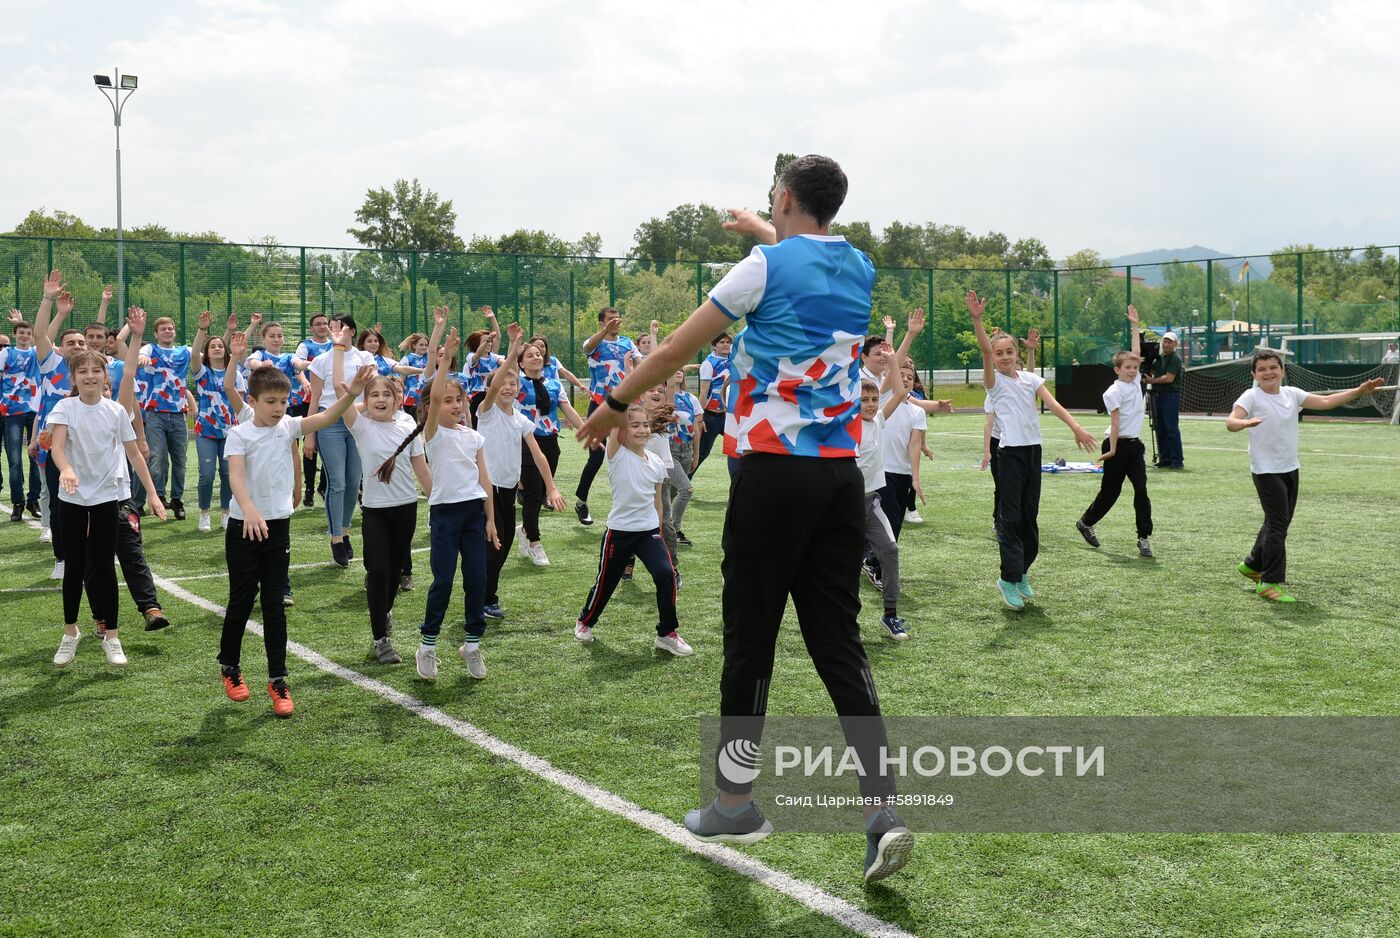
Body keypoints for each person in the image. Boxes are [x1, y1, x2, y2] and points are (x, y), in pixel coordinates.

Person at [577, 155, 914, 883]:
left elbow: (675, 347)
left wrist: (610, 406)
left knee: (750, 639)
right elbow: (805, 255)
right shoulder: (856, 269)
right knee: (838, 643)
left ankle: (734, 801)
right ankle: (881, 809)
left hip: (771, 476)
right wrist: (766, 228)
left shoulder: (761, 266)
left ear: (786, 197)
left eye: (771, 202)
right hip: (837, 478)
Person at [218, 349, 373, 716]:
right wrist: (251, 511)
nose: (278, 407)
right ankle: (230, 667)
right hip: (244, 527)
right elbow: (236, 478)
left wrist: (351, 392)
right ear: (252, 401)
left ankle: (278, 681)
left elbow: (328, 415)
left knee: (274, 605)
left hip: (278, 526)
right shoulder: (238, 434)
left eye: (284, 401)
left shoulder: (288, 426)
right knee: (241, 600)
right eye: (271, 401)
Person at [48, 309, 168, 670]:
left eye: (96, 371)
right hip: (71, 500)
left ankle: (112, 637)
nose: (89, 376)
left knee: (104, 567)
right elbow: (56, 446)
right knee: (74, 568)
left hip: (106, 500)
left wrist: (152, 493)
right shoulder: (64, 406)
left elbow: (134, 452)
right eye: (82, 371)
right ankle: (71, 632)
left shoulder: (116, 411)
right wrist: (66, 469)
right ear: (73, 376)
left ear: (105, 377)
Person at [970, 289, 1097, 610]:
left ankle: (1022, 572)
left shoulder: (1030, 378)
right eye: (1000, 353)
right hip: (1010, 454)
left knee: (1030, 518)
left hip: (1032, 454)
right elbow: (984, 351)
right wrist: (977, 320)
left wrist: (1076, 427)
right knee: (1009, 519)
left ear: (1016, 353)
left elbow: (1052, 403)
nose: (1004, 356)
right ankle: (1007, 578)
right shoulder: (994, 384)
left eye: (1009, 351)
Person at [1226, 349, 1383, 603]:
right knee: (1278, 526)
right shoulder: (1251, 396)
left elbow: (1326, 402)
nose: (1268, 372)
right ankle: (1269, 582)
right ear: (1254, 374)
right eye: (1262, 369)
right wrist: (1243, 423)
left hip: (1290, 468)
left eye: (1273, 367)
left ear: (1282, 371)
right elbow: (1231, 421)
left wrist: (1358, 391)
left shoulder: (1292, 394)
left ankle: (1253, 565)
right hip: (1266, 471)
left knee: (1278, 522)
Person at [395, 329, 499, 681]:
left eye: (460, 400)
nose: (455, 405)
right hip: (445, 515)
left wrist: (491, 521)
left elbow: (484, 482)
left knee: (477, 581)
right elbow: (436, 397)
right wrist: (444, 362)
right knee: (443, 581)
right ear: (430, 407)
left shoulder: (474, 436)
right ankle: (427, 645)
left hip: (473, 513)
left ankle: (471, 645)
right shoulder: (432, 434)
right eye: (449, 400)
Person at [573, 402, 689, 655]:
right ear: (623, 430)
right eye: (634, 425)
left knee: (665, 574)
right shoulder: (616, 454)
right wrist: (630, 382)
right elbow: (616, 422)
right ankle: (585, 621)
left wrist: (657, 530)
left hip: (648, 532)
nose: (642, 430)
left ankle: (667, 633)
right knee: (606, 582)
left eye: (645, 425)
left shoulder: (657, 461)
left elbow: (658, 502)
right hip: (620, 532)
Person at [479, 323, 568, 620]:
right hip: (484, 489)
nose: (508, 387)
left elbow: (539, 454)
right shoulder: (487, 411)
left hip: (506, 489)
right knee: (493, 544)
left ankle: (486, 593)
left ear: (519, 391)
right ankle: (485, 597)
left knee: (501, 547)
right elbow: (493, 385)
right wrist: (512, 351)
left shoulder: (520, 419)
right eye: (504, 382)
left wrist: (551, 487)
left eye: (513, 384)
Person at [344, 366, 432, 665]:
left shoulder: (408, 424)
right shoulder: (361, 426)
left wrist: (439, 500)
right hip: (375, 512)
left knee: (395, 573)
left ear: (398, 400)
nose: (381, 399)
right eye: (374, 395)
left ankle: (385, 612)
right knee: (378, 571)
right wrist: (358, 389)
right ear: (366, 402)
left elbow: (422, 469)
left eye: (387, 395)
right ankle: (381, 638)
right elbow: (342, 406)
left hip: (406, 508)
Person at [1076, 306, 1154, 558]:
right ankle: (1086, 522)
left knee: (1141, 490)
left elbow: (1137, 352)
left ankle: (1143, 537)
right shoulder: (1113, 392)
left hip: (1134, 446)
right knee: (1111, 492)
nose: (1132, 370)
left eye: (1135, 367)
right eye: (1127, 367)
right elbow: (1116, 421)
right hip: (1116, 445)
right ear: (1117, 370)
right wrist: (1112, 450)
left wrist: (1134, 325)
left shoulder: (1136, 379)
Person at [857, 317, 918, 641]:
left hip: (870, 503)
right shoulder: (843, 428)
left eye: (873, 400)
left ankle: (890, 615)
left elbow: (897, 389)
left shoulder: (879, 420)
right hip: (842, 507)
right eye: (864, 400)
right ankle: (844, 619)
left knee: (890, 552)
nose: (869, 405)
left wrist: (894, 360)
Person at [307, 315, 375, 566]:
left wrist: (353, 410)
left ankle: (345, 531)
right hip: (330, 423)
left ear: (352, 331)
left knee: (352, 480)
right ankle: (336, 537)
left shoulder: (364, 358)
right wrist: (310, 434)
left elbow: (370, 394)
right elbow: (314, 399)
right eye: (331, 326)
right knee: (336, 482)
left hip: (357, 421)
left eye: (340, 327)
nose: (334, 331)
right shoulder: (321, 360)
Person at [515, 333, 583, 566]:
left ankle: (524, 529)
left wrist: (587, 432)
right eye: (529, 355)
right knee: (533, 493)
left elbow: (568, 410)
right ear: (521, 362)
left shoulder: (554, 384)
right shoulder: (516, 382)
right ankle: (535, 542)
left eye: (538, 354)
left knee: (542, 491)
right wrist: (515, 344)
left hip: (550, 442)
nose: (536, 357)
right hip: (525, 441)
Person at [573, 307, 636, 524]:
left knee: (628, 454)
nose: (615, 322)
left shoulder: (628, 343)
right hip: (599, 406)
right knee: (597, 456)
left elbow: (641, 365)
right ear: (601, 323)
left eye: (617, 318)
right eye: (609, 320)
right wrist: (604, 332)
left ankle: (628, 506)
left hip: (623, 407)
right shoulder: (595, 342)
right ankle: (581, 502)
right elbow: (588, 347)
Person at [134, 314, 194, 519]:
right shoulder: (151, 349)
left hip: (178, 414)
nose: (167, 331)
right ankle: (158, 496)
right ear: (156, 333)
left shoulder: (184, 351)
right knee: (156, 457)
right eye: (163, 329)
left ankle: (177, 499)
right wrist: (141, 358)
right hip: (155, 414)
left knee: (180, 460)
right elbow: (140, 355)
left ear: (174, 331)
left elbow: (212, 355)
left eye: (170, 328)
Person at [188, 312, 241, 532]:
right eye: (213, 346)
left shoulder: (235, 372)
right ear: (207, 353)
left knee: (228, 474)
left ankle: (226, 513)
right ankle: (204, 513)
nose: (217, 348)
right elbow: (193, 356)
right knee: (207, 475)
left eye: (221, 345)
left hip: (231, 432)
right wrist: (201, 331)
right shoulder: (203, 372)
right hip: (206, 431)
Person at [2, 310, 42, 521]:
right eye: (21, 332)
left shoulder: (37, 352)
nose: (25, 336)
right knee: (14, 460)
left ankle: (33, 500)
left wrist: (21, 320)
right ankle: (17, 502)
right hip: (11, 411)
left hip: (34, 410)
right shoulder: (6, 353)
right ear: (15, 335)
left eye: (28, 333)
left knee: (35, 456)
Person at [293, 312, 334, 507]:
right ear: (311, 328)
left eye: (325, 324)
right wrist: (313, 368)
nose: (322, 327)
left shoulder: (335, 344)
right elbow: (298, 365)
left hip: (333, 400)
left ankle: (324, 485)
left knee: (331, 443)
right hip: (310, 401)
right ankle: (309, 488)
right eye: (318, 324)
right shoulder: (306, 345)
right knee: (310, 445)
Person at [666, 369, 702, 545]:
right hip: (669, 449)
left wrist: (696, 454)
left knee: (673, 492)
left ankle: (663, 527)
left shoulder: (691, 398)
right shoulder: (665, 396)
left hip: (687, 449)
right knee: (686, 490)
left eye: (681, 370)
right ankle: (674, 530)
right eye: (675, 370)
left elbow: (696, 428)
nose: (678, 372)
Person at [1144, 329, 1184, 468]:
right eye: (1165, 341)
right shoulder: (1160, 358)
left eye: (1169, 342)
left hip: (1169, 395)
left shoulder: (1175, 358)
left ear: (1175, 344)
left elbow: (1169, 378)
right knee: (1159, 427)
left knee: (1171, 427)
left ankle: (1177, 460)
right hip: (1158, 395)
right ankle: (1165, 458)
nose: (1166, 344)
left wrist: (1151, 381)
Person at [693, 332, 732, 471]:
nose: (726, 345)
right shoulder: (709, 363)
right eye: (722, 342)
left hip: (729, 415)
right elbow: (704, 392)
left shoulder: (734, 359)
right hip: (711, 416)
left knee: (738, 448)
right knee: (702, 453)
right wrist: (700, 417)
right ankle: (683, 486)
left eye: (728, 342)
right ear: (714, 345)